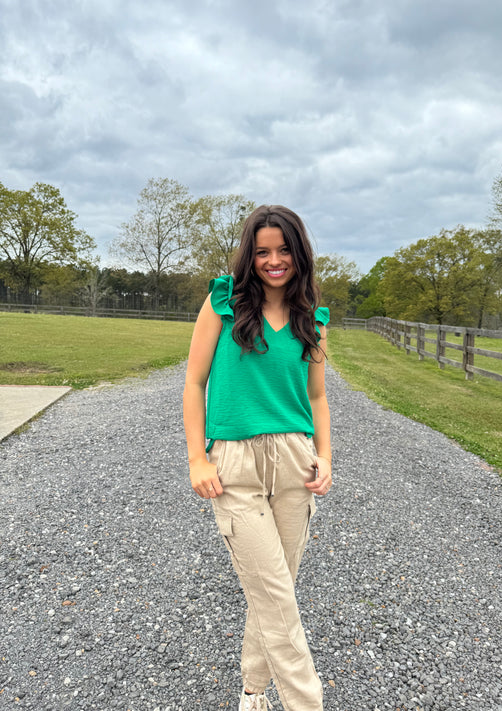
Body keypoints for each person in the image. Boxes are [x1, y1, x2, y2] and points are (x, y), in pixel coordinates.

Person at [183, 204, 332, 711]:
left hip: (295, 461)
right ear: (251, 254)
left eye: (284, 250)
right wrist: (197, 459)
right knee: (274, 594)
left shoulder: (313, 317)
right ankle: (307, 704)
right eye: (263, 251)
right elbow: (194, 381)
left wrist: (325, 455)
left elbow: (316, 397)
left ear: (299, 253)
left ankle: (253, 692)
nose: (274, 260)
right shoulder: (222, 302)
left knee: (275, 593)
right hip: (235, 464)